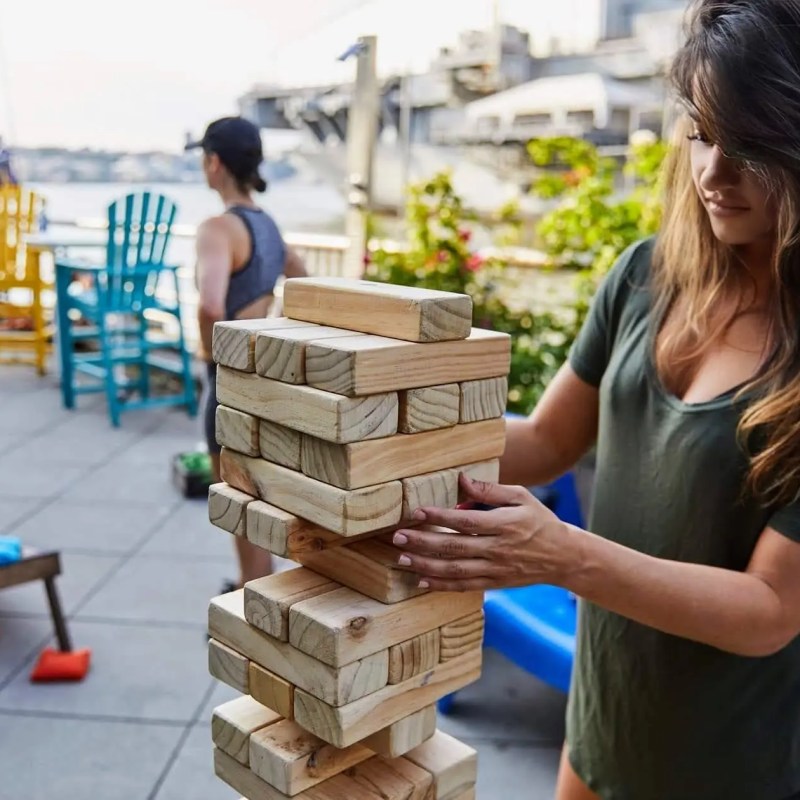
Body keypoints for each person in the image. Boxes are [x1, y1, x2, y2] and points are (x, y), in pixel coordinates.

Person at [392, 1, 800, 798]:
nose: (715, 174)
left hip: (734, 768)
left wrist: (562, 555)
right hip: (601, 725)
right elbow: (545, 441)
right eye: (703, 134)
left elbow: (769, 610)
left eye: (752, 147)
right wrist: (388, 436)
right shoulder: (644, 275)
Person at [186, 116, 307, 590]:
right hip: (264, 381)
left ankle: (250, 597)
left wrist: (210, 357)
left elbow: (211, 305)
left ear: (214, 163)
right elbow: (306, 283)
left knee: (242, 505)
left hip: (229, 378)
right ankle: (258, 590)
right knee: (261, 499)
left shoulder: (217, 228)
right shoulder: (268, 227)